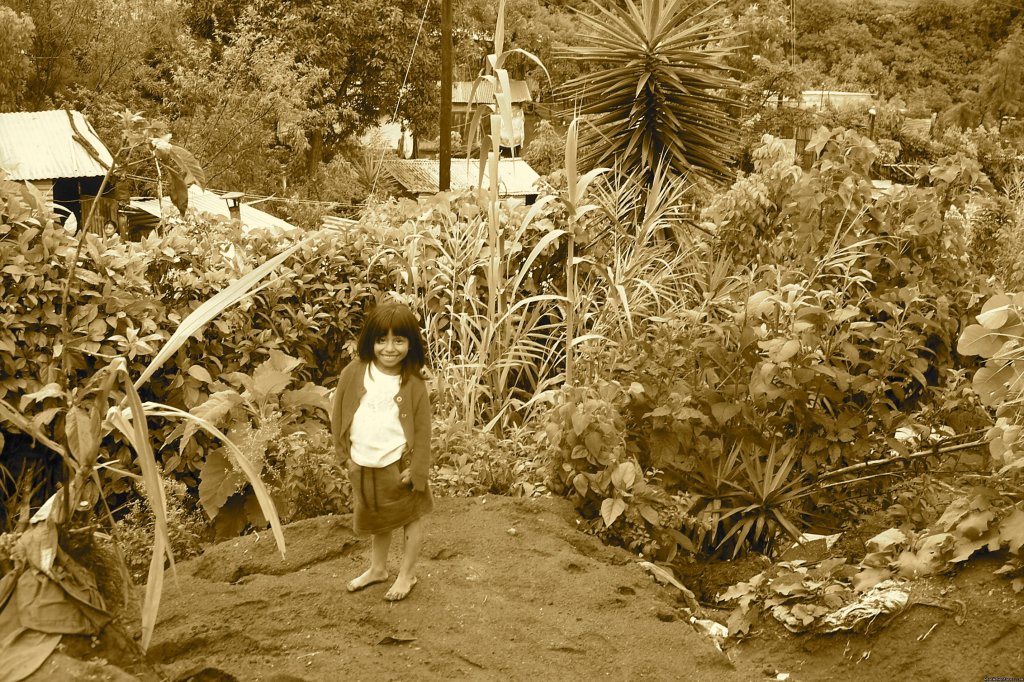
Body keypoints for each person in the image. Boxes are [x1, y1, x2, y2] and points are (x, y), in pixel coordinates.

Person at [331, 301, 433, 601]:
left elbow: (424, 431)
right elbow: (338, 413)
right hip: (363, 463)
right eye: (381, 339)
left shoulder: (412, 383)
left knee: (411, 517)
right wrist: (344, 456)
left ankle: (407, 574)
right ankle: (378, 569)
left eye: (399, 340)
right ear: (370, 341)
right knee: (378, 518)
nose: (390, 348)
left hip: (397, 465)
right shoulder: (354, 372)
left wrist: (417, 470)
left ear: (410, 343)